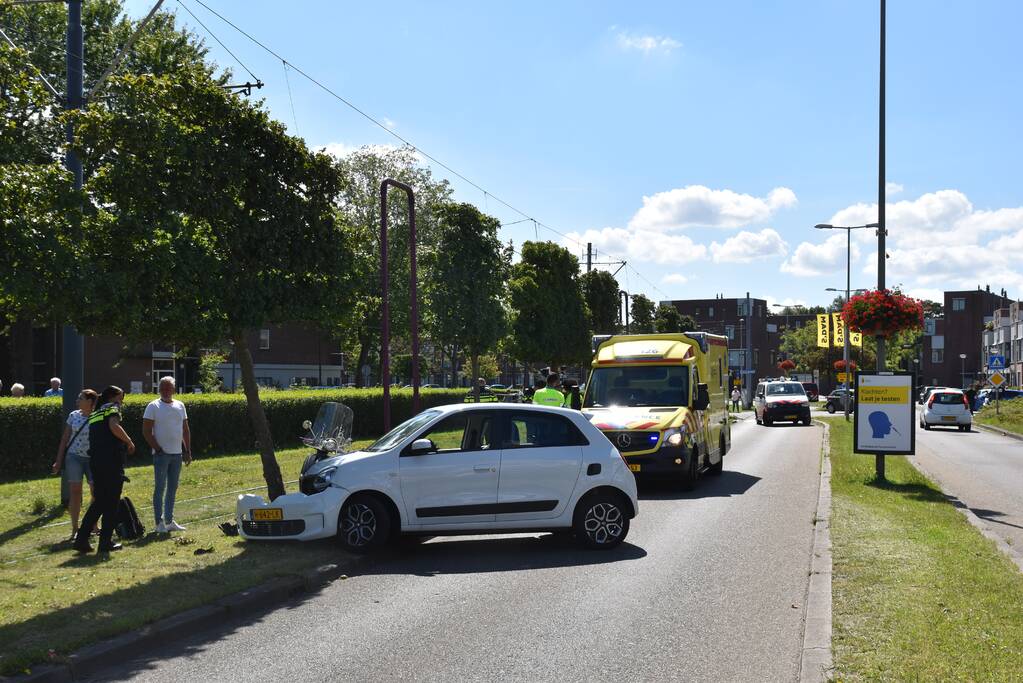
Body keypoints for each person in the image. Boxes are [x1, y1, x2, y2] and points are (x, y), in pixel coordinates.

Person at [73, 386, 136, 553]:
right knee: (112, 502)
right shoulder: (111, 409)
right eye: (119, 399)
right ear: (111, 398)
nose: (120, 403)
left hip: (97, 462)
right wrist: (129, 441)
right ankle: (105, 542)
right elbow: (114, 426)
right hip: (111, 462)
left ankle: (81, 539)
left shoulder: (95, 414)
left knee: (100, 502)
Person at [143, 376, 192, 533]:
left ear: (173, 389)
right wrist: (157, 449)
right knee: (160, 488)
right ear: (159, 389)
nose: (165, 390)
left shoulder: (180, 405)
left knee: (172, 488)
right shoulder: (153, 406)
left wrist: (187, 451)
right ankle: (159, 523)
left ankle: (169, 521)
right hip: (161, 455)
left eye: (168, 388)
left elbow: (185, 430)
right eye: (162, 388)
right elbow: (146, 431)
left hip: (177, 454)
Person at [52, 389, 99, 540]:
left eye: (81, 398)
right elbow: (65, 439)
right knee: (75, 492)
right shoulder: (73, 415)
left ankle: (93, 524)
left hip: (92, 459)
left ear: (90, 402)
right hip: (74, 457)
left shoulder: (98, 416)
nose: (78, 400)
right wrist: (58, 461)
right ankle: (75, 528)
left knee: (96, 492)